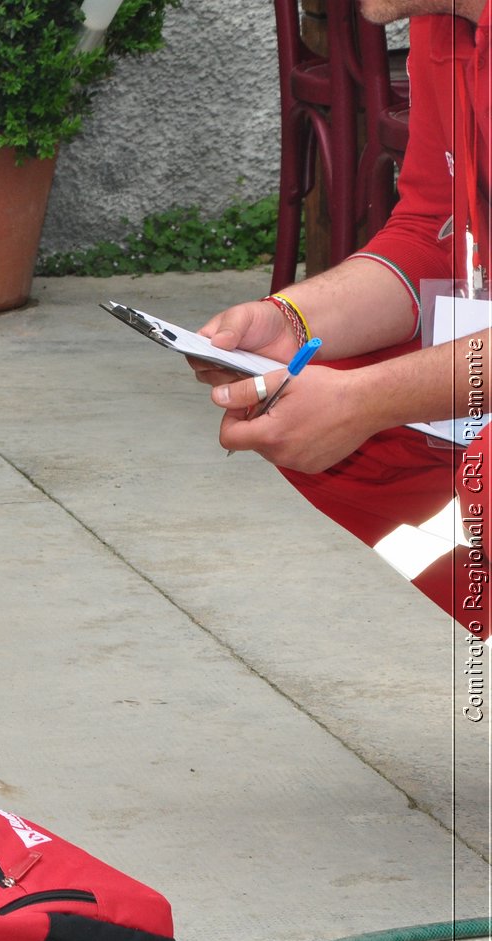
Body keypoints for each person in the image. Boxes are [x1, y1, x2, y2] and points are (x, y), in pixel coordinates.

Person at [191, 0, 490, 634]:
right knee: (305, 411)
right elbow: (430, 233)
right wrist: (290, 322)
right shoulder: (445, 18)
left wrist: (364, 400)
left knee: (481, 476)